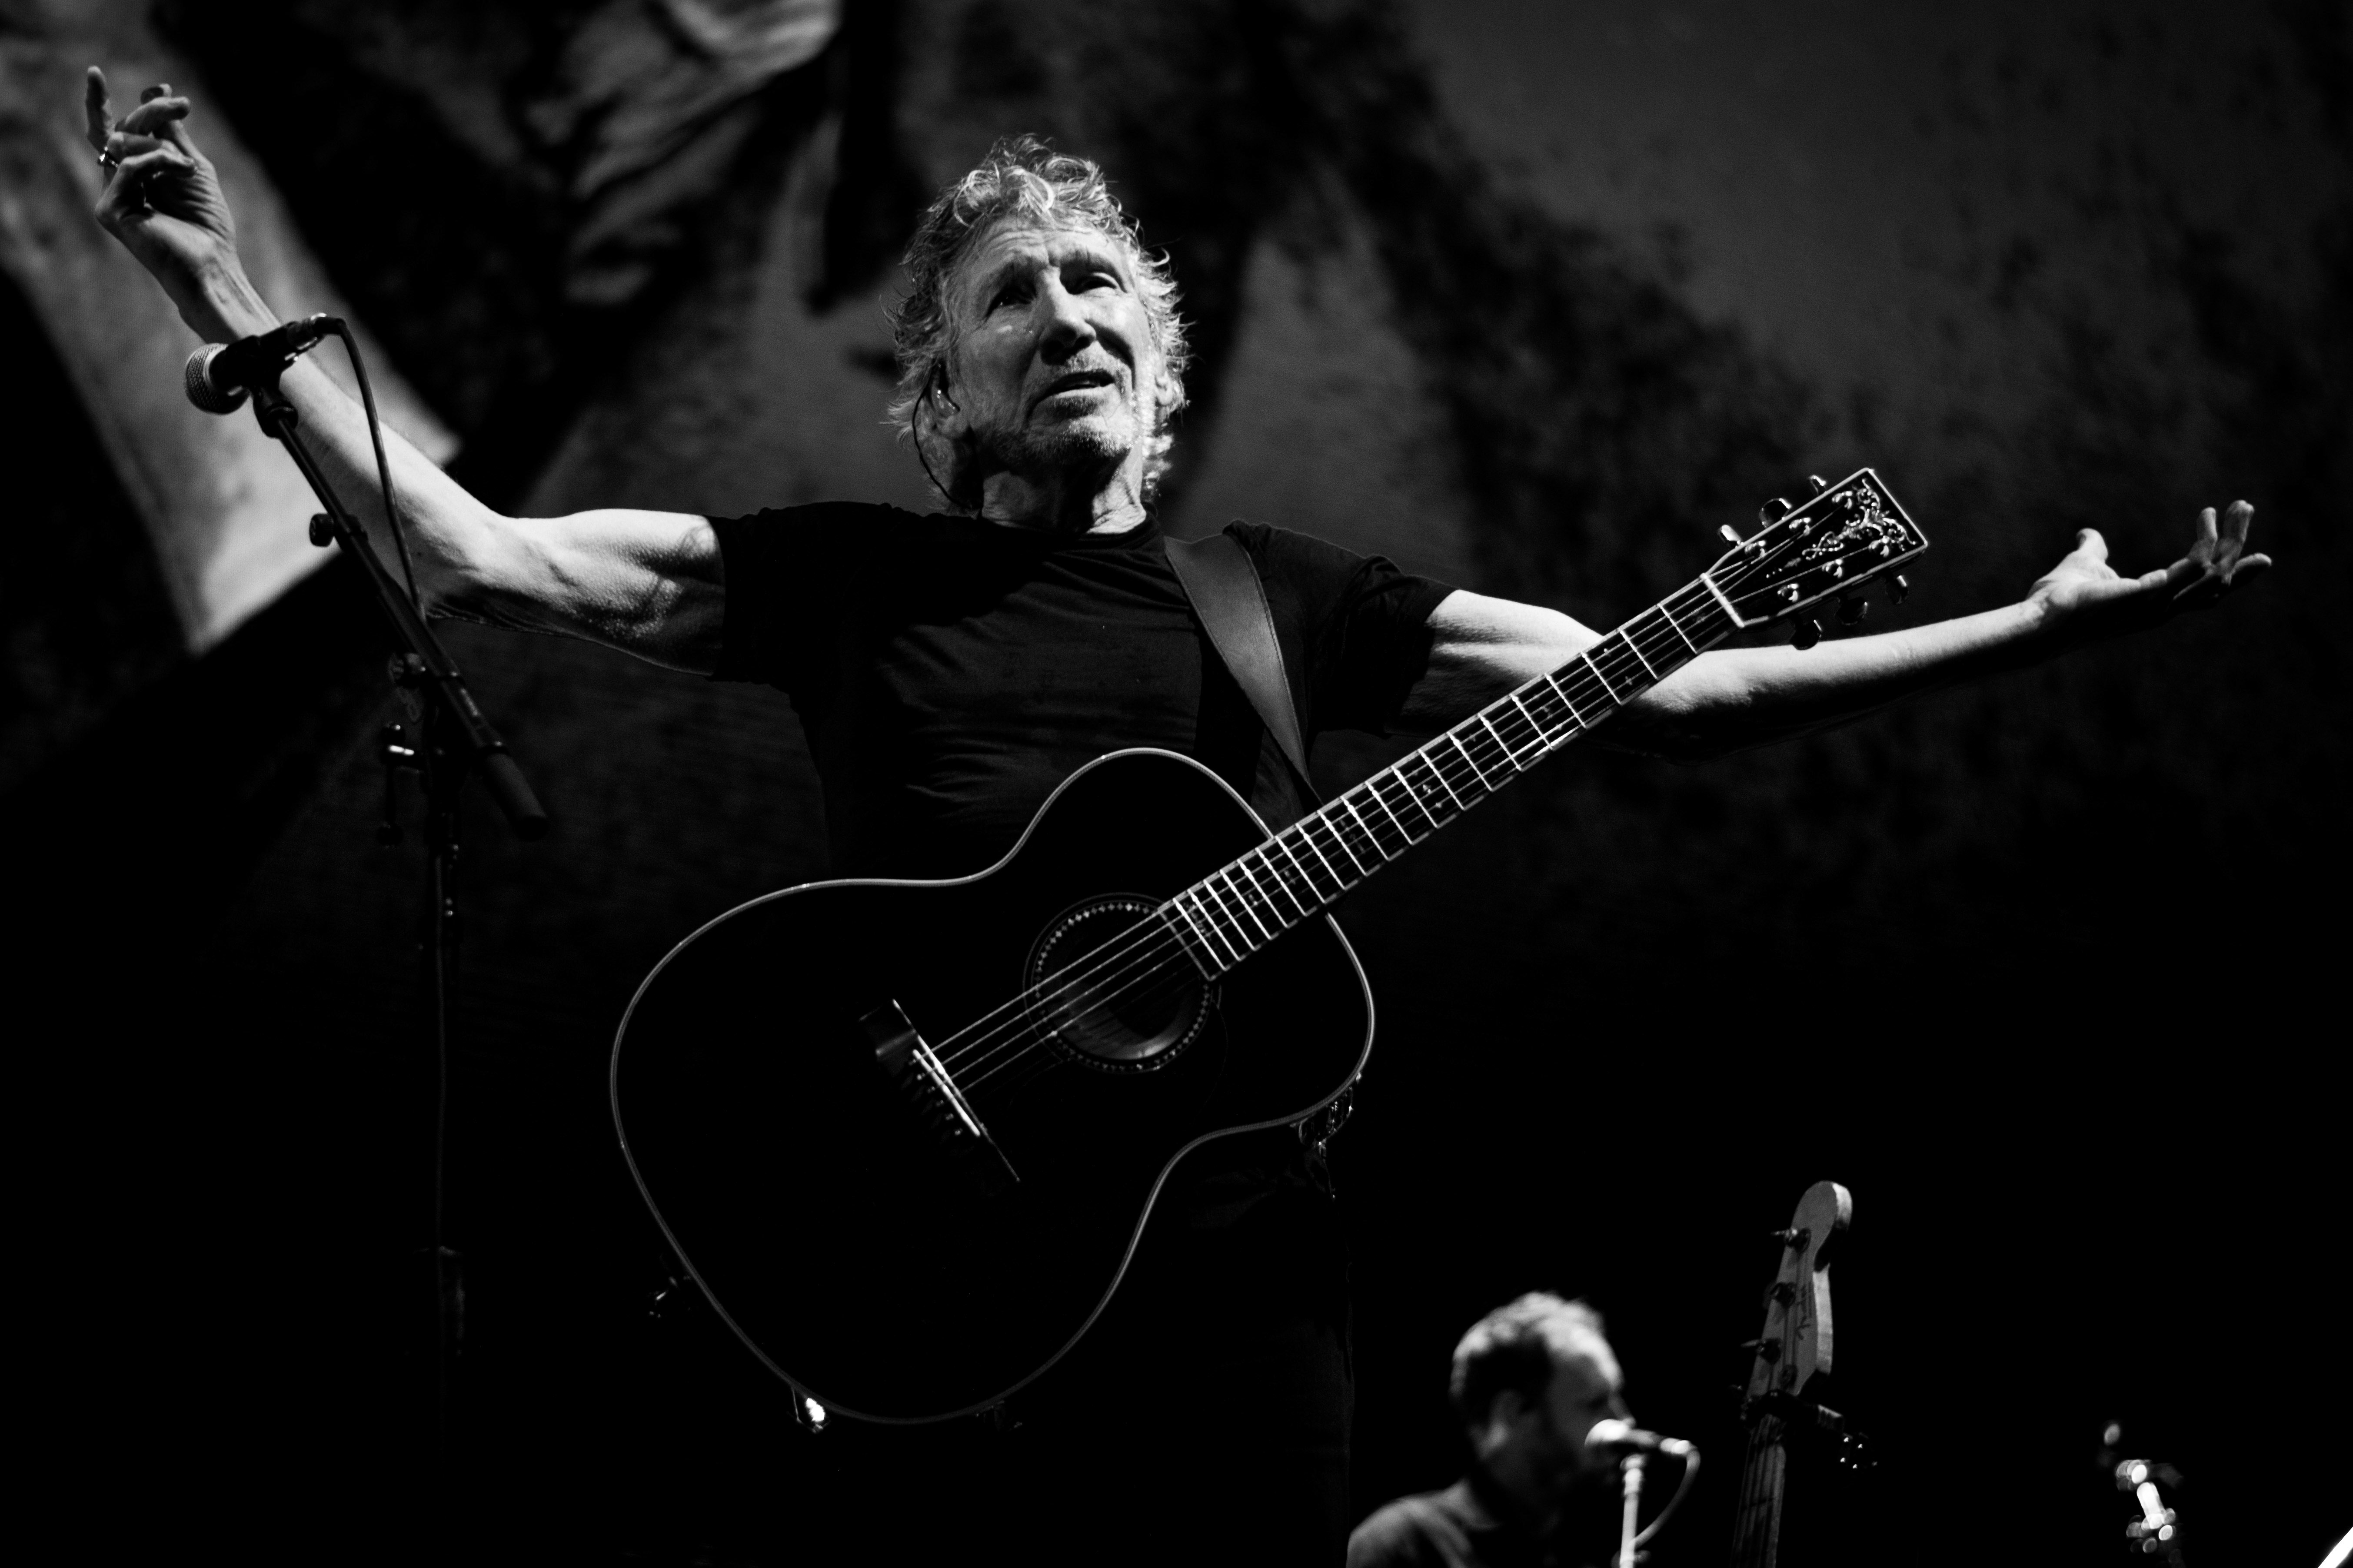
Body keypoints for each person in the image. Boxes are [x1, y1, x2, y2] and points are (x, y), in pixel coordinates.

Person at [84, 67, 2266, 1566]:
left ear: (1156, 359)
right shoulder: (849, 576)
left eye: (1096, 285)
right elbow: (472, 552)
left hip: (1230, 1275)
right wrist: (212, 292)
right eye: (1010, 297)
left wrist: (2028, 626)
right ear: (941, 390)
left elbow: (1682, 687)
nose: (1067, 315)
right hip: (925, 1242)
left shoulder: (1277, 598)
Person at [1350, 1295, 1644, 1568]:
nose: (1624, 1419)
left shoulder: (1578, 1553)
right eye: (1595, 1403)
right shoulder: (1402, 1545)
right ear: (1514, 1413)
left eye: (1617, 1397)